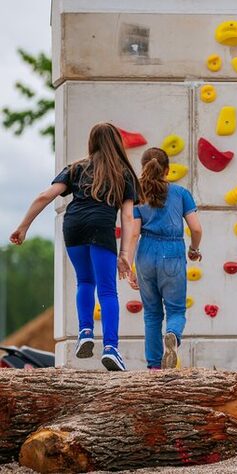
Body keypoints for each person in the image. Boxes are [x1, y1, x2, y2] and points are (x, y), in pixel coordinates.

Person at [9, 122, 140, 370]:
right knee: (107, 290)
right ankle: (111, 347)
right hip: (101, 227)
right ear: (116, 143)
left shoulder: (76, 168)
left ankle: (85, 332)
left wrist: (23, 226)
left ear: (92, 142)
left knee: (85, 282)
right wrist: (125, 254)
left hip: (74, 226)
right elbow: (128, 218)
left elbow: (44, 196)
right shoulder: (123, 174)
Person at [124, 147, 202, 370]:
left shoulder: (138, 197)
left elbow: (134, 233)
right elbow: (196, 229)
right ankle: (173, 336)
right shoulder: (181, 194)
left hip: (146, 253)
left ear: (143, 168)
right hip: (173, 253)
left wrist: (130, 265)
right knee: (176, 311)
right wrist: (194, 250)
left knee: (151, 313)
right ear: (167, 170)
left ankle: (154, 367)